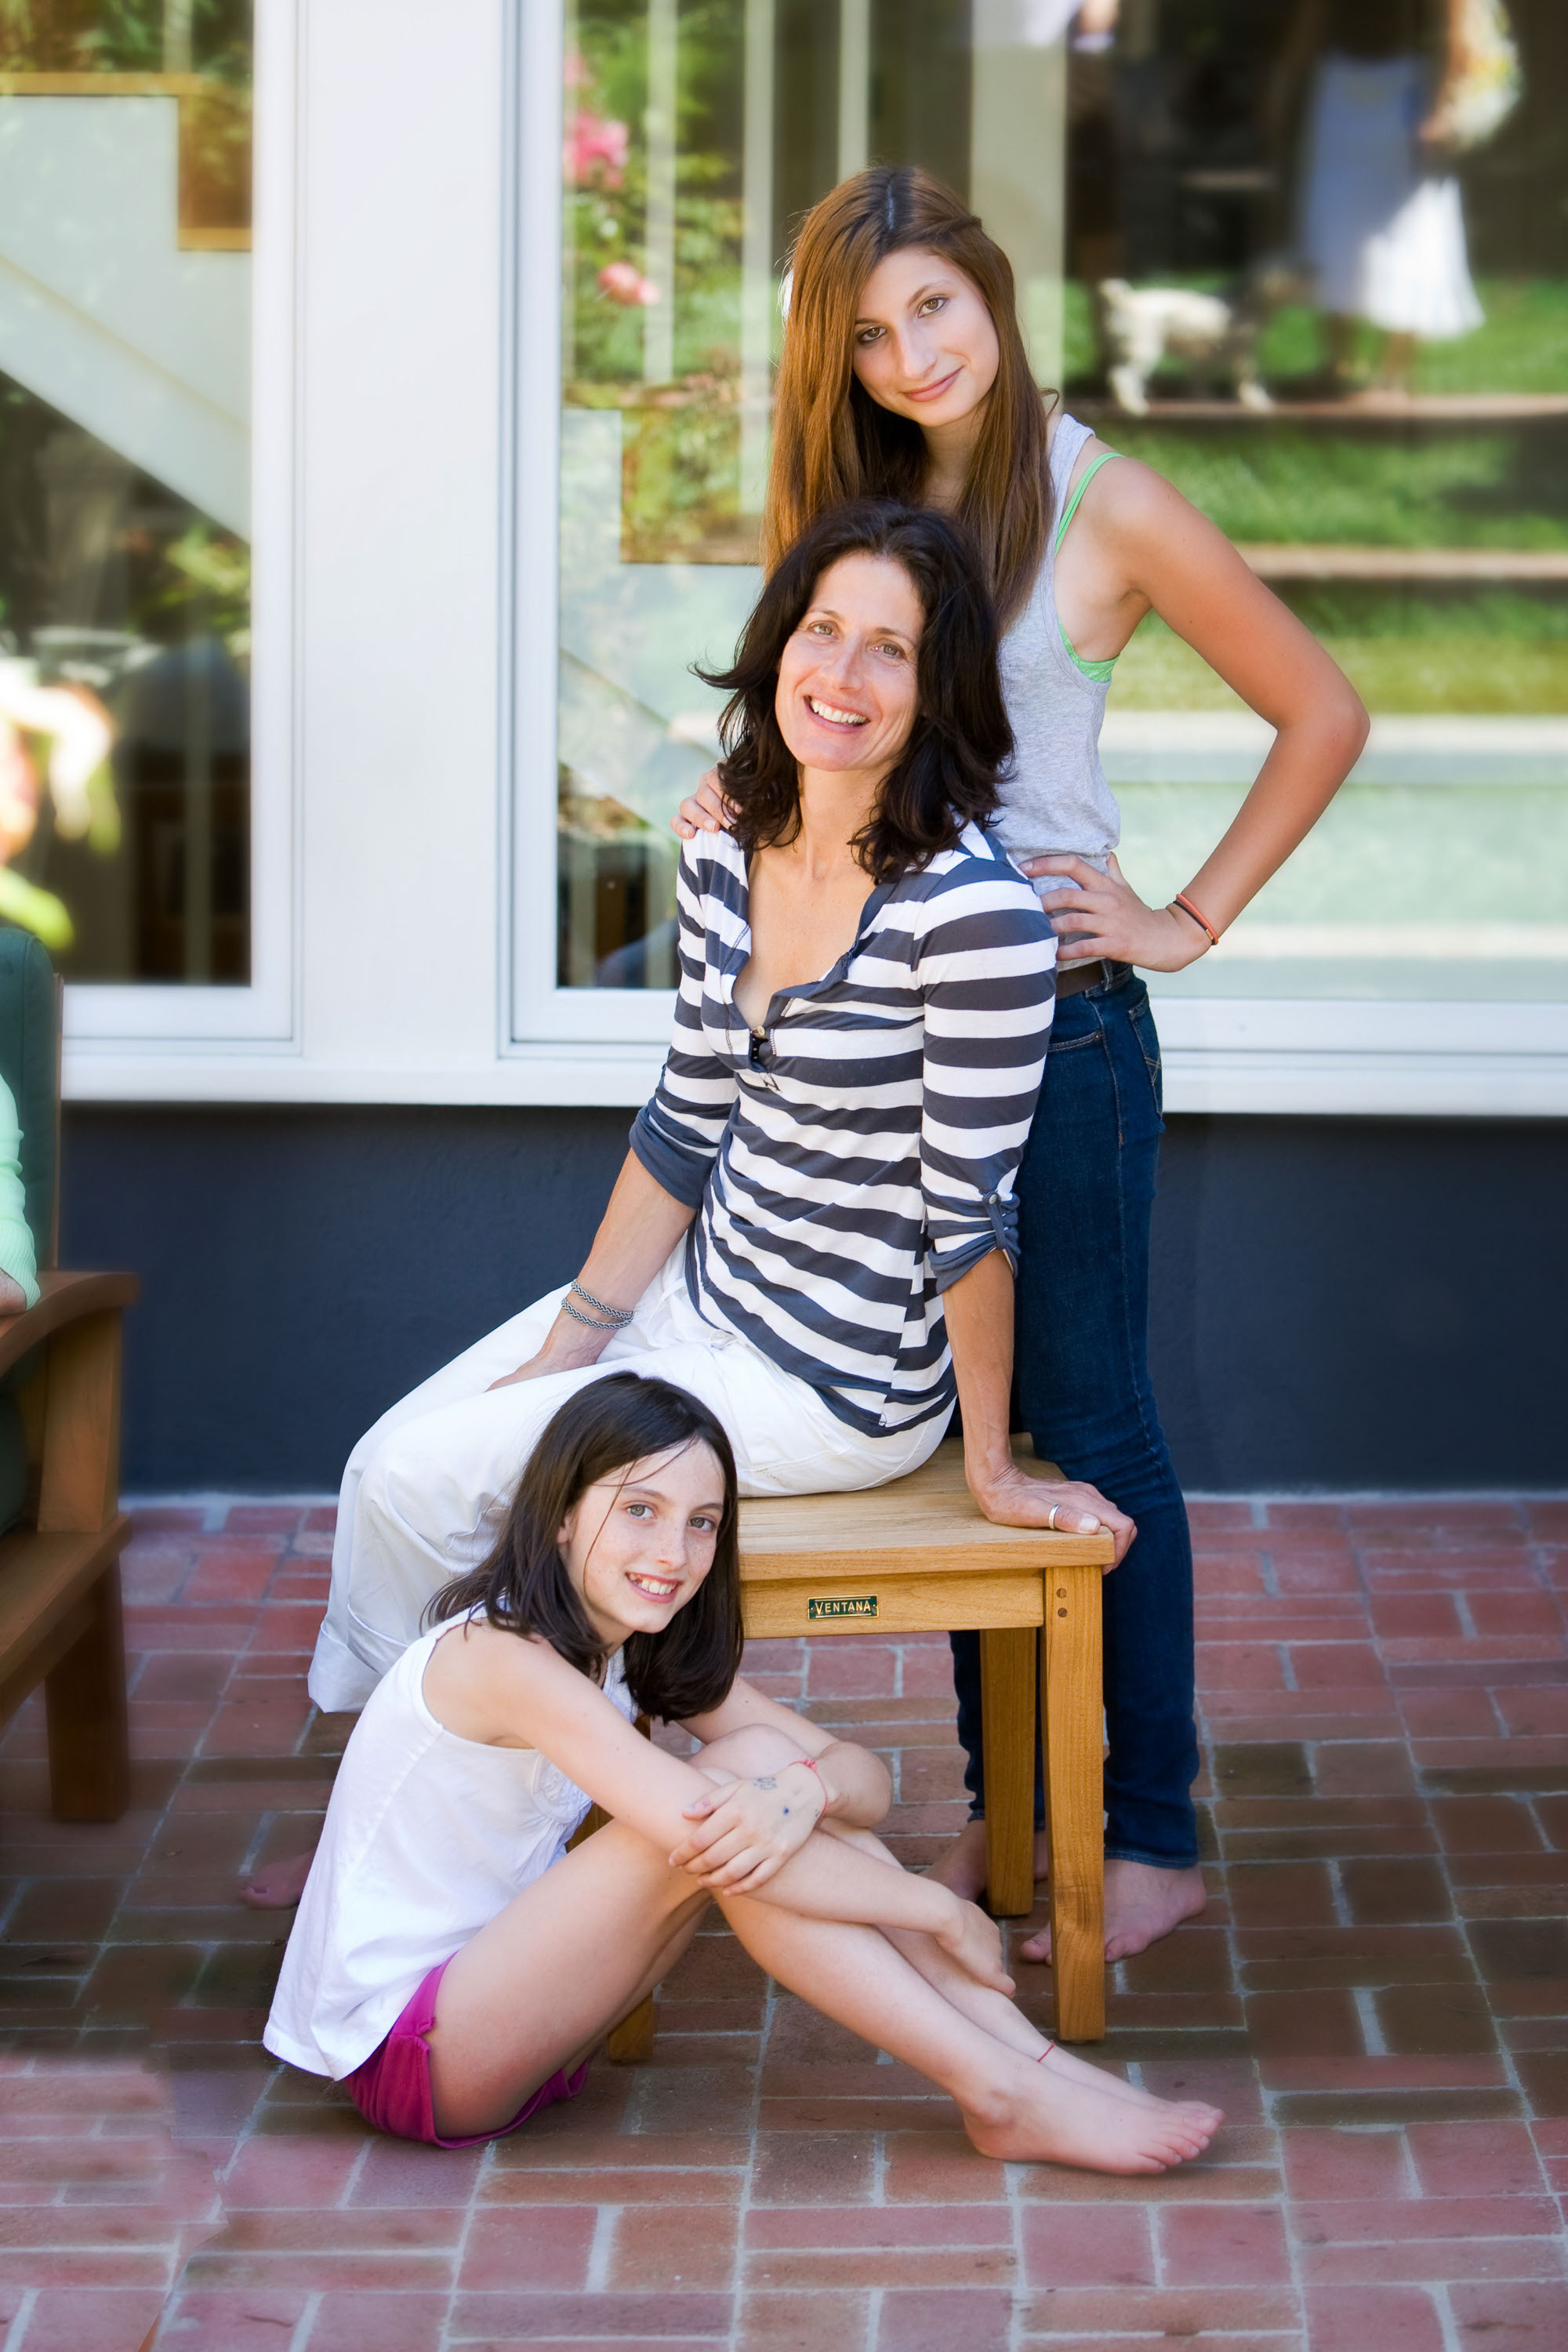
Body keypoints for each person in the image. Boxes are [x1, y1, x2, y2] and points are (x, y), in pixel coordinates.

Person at [245, 495, 1132, 1907]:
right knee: (390, 1468)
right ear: (777, 642)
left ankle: (454, 1845)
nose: (839, 676)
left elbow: (972, 1216)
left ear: (937, 689)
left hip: (835, 1376)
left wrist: (985, 1463)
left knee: (447, 1484)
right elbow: (685, 1116)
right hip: (701, 1304)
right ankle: (409, 1807)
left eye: (888, 651)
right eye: (821, 631)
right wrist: (576, 1338)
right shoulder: (728, 844)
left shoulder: (976, 921)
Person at [674, 166, 1370, 1965]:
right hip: (884, 1034)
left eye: (931, 307)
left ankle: (1141, 1828)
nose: (909, 354)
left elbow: (1320, 707)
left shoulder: (1103, 502)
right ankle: (1014, 1799)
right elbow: (821, 725)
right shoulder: (863, 504)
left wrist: (1179, 914)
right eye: (865, 334)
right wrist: (734, 788)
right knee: (986, 1444)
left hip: (1055, 1030)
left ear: (986, 289)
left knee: (1084, 1415)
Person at [264, 1372, 1224, 2172]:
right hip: (419, 2054)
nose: (671, 1553)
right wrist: (937, 1907)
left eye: (700, 1523)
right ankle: (999, 2089)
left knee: (759, 1773)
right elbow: (697, 1834)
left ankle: (1031, 2065)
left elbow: (862, 1777)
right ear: (558, 1516)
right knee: (716, 1826)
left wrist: (802, 1789)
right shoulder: (499, 1657)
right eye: (636, 1510)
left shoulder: (623, 1647)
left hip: (514, 2010)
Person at [1273, 0, 1486, 397]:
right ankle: (1339, 363)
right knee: (1331, 217)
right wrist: (1285, 81)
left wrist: (1442, 106)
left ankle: (1395, 375)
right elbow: (1313, 15)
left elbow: (1462, 23)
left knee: (1413, 229)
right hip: (1339, 82)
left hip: (1408, 89)